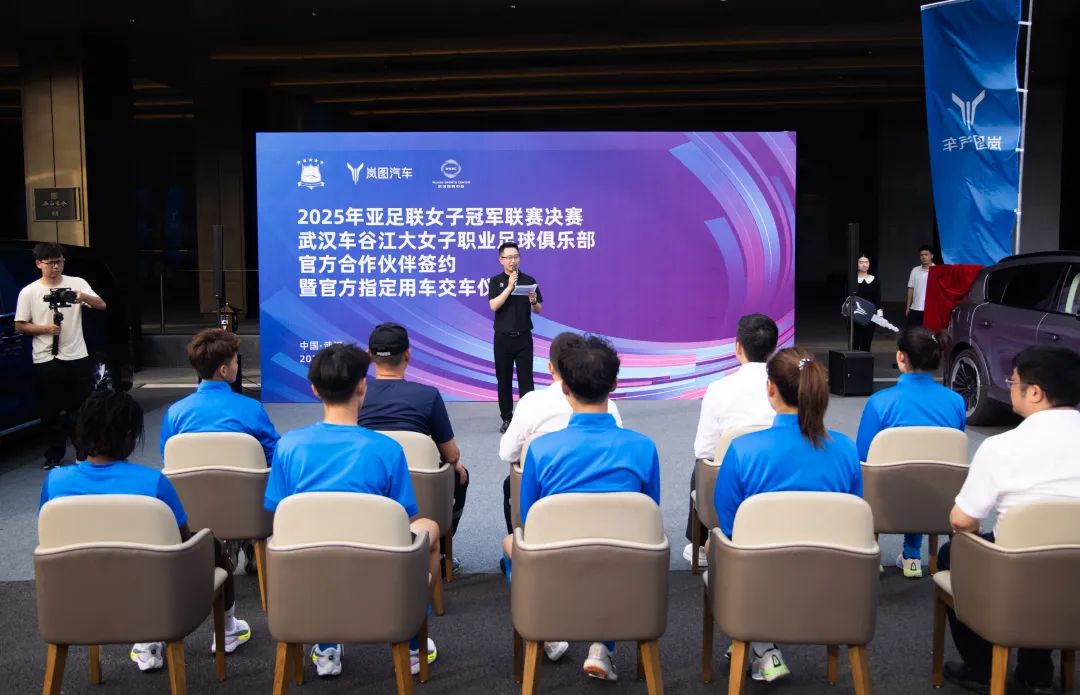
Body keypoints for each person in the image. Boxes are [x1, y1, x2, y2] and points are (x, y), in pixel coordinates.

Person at [39, 390, 250, 672]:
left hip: (77, 597)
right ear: (129, 437)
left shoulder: (54, 483)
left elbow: (51, 539)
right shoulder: (153, 483)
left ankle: (147, 644)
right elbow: (181, 542)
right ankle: (226, 629)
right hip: (151, 595)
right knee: (209, 545)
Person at [264, 343, 441, 679]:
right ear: (362, 385)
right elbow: (400, 519)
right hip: (378, 572)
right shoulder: (387, 450)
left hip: (307, 570)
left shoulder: (287, 447)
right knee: (427, 529)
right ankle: (412, 644)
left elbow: (281, 514)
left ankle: (326, 645)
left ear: (314, 389)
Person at [500, 335, 660, 681]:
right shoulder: (644, 448)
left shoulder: (540, 451)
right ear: (614, 385)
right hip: (624, 571)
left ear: (565, 388)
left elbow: (529, 520)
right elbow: (650, 517)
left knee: (513, 544)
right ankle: (603, 647)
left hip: (557, 569)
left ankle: (544, 624)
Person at [713, 348, 862, 683]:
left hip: (758, 580)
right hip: (831, 578)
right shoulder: (846, 449)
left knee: (720, 547)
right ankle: (761, 647)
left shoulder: (743, 450)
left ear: (771, 388)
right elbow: (854, 520)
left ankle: (759, 644)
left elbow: (729, 526)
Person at [940, 345, 1080, 695]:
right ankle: (1037, 671)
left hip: (1017, 573)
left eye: (1013, 381)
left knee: (952, 553)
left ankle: (983, 668)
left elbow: (962, 520)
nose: (1010, 386)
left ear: (1035, 392)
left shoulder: (1002, 447)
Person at [855, 326, 966, 578]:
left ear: (901, 356)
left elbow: (863, 457)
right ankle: (913, 556)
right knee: (925, 469)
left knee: (876, 472)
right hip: (939, 499)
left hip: (885, 499)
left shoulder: (880, 402)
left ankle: (871, 550)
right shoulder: (956, 402)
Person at [359, 322, 469, 573]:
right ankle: (438, 551)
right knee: (460, 476)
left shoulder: (356, 394)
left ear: (369, 355)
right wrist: (455, 465)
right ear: (408, 354)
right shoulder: (428, 395)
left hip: (367, 486)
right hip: (420, 494)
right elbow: (451, 455)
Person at [498, 331, 623, 534]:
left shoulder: (539, 448)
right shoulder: (640, 447)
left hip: (547, 535)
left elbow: (508, 454)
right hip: (614, 534)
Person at [683, 313, 778, 566]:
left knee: (701, 466)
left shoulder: (719, 388)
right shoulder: (786, 387)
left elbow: (704, 450)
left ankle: (701, 543)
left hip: (729, 476)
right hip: (778, 470)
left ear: (738, 347)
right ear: (774, 349)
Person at [15, 242, 107, 468]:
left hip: (76, 355)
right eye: (51, 263)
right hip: (45, 357)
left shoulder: (76, 283)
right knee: (50, 410)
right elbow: (20, 325)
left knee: (81, 408)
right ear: (39, 264)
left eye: (59, 262)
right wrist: (45, 329)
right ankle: (53, 454)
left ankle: (83, 451)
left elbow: (102, 305)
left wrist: (82, 296)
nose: (56, 267)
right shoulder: (29, 292)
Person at [160, 328, 280, 465]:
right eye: (236, 362)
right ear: (223, 370)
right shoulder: (253, 409)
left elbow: (168, 457)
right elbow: (275, 455)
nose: (237, 366)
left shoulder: (174, 414)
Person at [488, 241, 543, 434]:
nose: (513, 261)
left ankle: (527, 419)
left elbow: (538, 309)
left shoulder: (529, 280)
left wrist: (533, 301)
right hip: (503, 338)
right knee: (503, 380)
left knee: (526, 380)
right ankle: (507, 418)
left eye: (516, 257)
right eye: (509, 257)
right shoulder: (495, 281)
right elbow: (493, 305)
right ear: (501, 260)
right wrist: (509, 287)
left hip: (523, 337)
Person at [852, 254, 881, 352]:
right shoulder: (853, 280)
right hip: (855, 314)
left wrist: (880, 315)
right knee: (855, 340)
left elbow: (877, 298)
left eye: (866, 262)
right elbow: (847, 297)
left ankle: (866, 359)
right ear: (856, 264)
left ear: (869, 264)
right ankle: (854, 359)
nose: (864, 264)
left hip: (870, 314)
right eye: (861, 262)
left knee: (867, 339)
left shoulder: (875, 280)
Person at [905, 245, 935, 328]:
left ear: (931, 256)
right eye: (921, 255)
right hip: (915, 308)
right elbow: (911, 289)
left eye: (926, 254)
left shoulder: (937, 270)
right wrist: (908, 307)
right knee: (913, 332)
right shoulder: (915, 270)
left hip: (931, 309)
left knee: (929, 332)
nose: (923, 257)